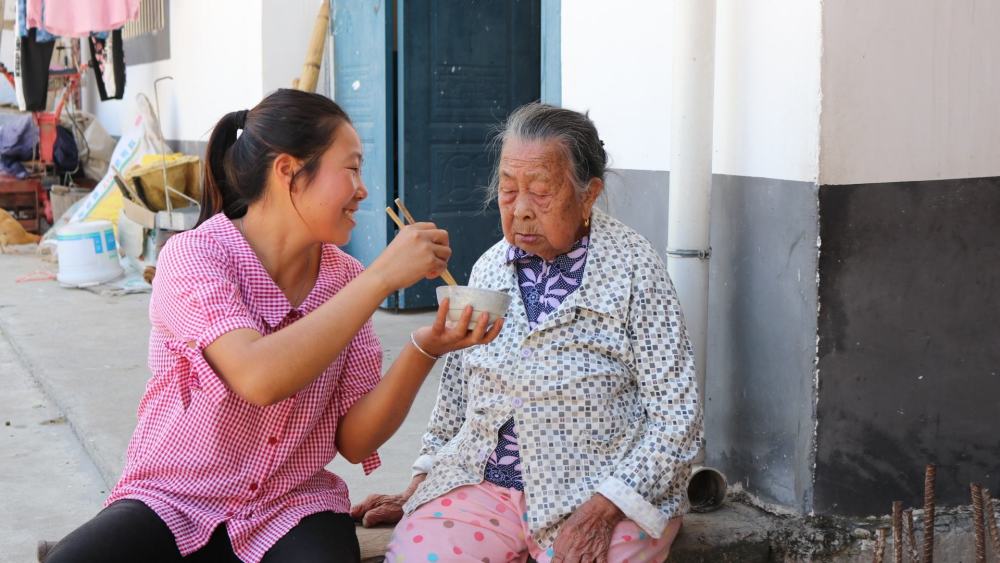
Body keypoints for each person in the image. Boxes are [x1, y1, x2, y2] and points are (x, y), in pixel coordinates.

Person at [44, 89, 502, 563]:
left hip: (291, 503)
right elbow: (258, 377)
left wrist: (425, 346)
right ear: (287, 171)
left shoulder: (345, 279)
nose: (363, 189)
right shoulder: (195, 257)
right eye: (350, 169)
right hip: (175, 496)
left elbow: (354, 439)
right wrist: (382, 278)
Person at [352, 103, 703, 563]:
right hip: (488, 486)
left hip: (604, 491)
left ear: (588, 194)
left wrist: (601, 511)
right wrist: (422, 484)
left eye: (540, 192)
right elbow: (458, 398)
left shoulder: (635, 270)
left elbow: (678, 419)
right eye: (508, 190)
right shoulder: (489, 268)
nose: (520, 210)